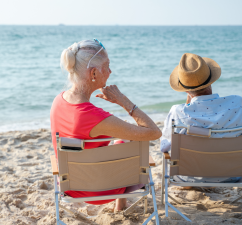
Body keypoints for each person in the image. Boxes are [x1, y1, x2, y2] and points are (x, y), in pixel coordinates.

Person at [50, 39, 162, 211]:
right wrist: (124, 101)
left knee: (119, 141)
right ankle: (120, 202)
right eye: (107, 66)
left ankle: (121, 205)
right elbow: (153, 132)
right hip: (99, 191)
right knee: (129, 143)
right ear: (93, 73)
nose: (110, 71)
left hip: (71, 188)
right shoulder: (94, 117)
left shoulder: (58, 101)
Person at [160, 53, 242, 183]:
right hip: (234, 174)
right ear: (211, 81)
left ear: (185, 90)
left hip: (189, 175)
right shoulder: (239, 104)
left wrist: (188, 104)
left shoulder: (178, 112)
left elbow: (164, 148)